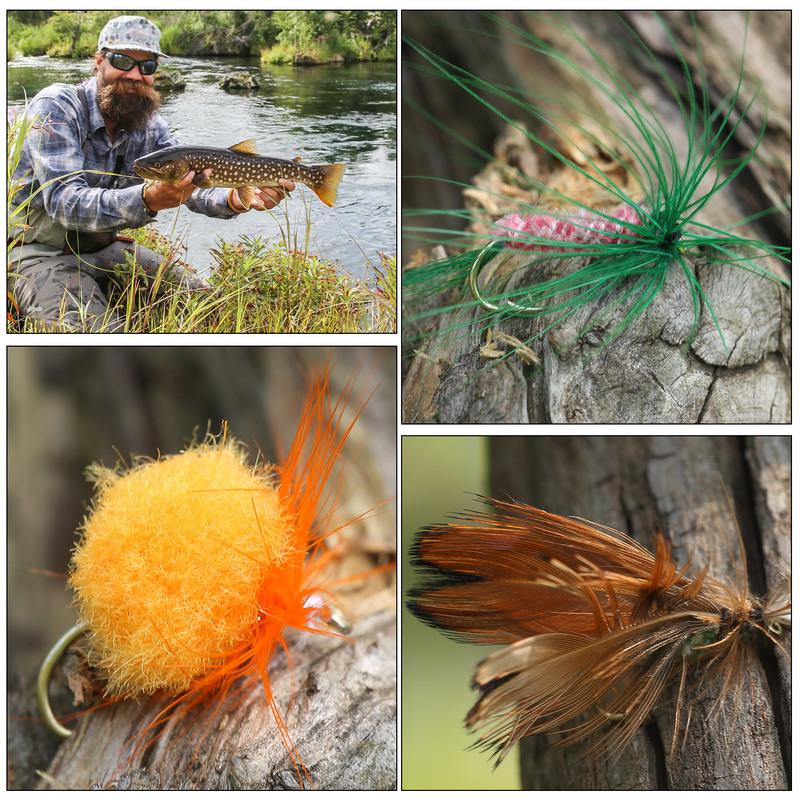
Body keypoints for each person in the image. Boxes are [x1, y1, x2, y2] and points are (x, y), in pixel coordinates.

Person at [9, 15, 296, 332]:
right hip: (36, 255)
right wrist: (147, 199)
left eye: (146, 67)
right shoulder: (57, 107)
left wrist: (237, 198)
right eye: (123, 61)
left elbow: (194, 181)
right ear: (99, 61)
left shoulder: (148, 123)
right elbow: (65, 203)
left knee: (208, 307)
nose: (134, 75)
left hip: (103, 249)